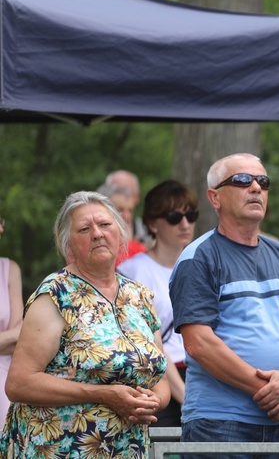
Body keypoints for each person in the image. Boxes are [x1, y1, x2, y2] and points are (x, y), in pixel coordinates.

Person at [0, 192, 169, 458]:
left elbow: (159, 379)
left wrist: (152, 402)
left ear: (120, 233)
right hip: (59, 448)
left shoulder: (140, 296)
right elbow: (19, 383)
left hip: (126, 447)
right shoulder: (56, 294)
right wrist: (103, 394)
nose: (98, 234)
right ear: (69, 245)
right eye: (84, 229)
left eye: (105, 225)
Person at [170, 153, 279, 458]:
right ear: (214, 197)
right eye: (243, 180)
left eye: (263, 182)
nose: (256, 187)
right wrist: (271, 390)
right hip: (219, 422)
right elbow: (199, 344)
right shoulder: (198, 258)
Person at [118, 180, 199, 427]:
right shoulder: (132, 271)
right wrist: (184, 395)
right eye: (175, 216)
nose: (185, 224)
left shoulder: (203, 267)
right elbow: (146, 341)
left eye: (191, 215)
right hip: (156, 379)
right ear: (152, 223)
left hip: (204, 375)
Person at [0, 214, 22, 423]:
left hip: (4, 382)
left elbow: (20, 335)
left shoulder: (9, 269)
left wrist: (13, 337)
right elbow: (12, 334)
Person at [97, 183, 147, 264]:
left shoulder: (141, 239)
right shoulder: (90, 241)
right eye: (120, 210)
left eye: (130, 210)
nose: (127, 216)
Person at [107, 169, 150, 245]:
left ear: (137, 197)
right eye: (118, 191)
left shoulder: (148, 231)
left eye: (129, 193)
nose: (124, 197)